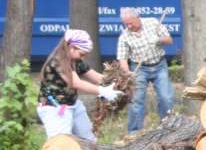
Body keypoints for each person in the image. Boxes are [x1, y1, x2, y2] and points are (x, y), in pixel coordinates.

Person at [37, 29, 122, 141]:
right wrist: (102, 91)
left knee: (89, 139)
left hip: (73, 104)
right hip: (55, 108)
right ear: (71, 47)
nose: (82, 58)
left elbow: (96, 77)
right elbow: (76, 83)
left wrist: (116, 82)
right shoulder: (57, 62)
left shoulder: (75, 60)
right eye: (81, 54)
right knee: (60, 143)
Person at [117, 7, 174, 135]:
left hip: (159, 65)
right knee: (136, 100)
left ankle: (167, 128)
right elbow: (123, 59)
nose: (129, 26)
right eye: (126, 24)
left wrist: (158, 39)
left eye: (131, 22)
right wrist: (127, 73)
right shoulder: (124, 37)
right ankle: (134, 132)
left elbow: (169, 40)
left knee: (166, 97)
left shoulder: (153, 23)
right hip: (139, 69)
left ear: (138, 17)